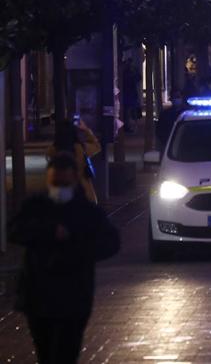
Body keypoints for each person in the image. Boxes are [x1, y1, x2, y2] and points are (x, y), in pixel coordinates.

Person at [10, 154, 120, 364]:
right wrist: (47, 232)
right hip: (38, 295)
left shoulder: (87, 212)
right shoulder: (36, 206)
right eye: (55, 183)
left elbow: (110, 242)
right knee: (45, 352)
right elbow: (14, 230)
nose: (59, 188)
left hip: (73, 296)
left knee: (65, 353)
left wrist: (80, 244)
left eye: (64, 183)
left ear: (75, 180)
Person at [47, 119, 101, 204]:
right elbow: (97, 146)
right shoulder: (81, 148)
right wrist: (86, 130)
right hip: (81, 189)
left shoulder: (53, 150)